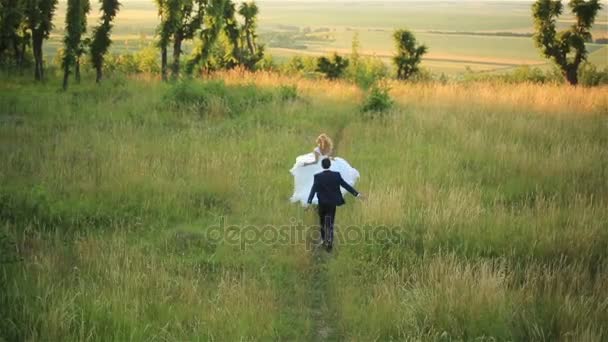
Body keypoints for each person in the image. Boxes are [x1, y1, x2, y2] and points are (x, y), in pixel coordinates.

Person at [307, 158, 362, 251]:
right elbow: (345, 185)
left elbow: (313, 189)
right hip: (332, 203)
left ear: (322, 166)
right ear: (330, 165)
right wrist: (357, 194)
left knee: (322, 222)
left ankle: (324, 240)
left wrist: (309, 202)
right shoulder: (336, 175)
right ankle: (330, 241)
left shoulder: (317, 176)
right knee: (330, 222)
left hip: (322, 203)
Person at [289, 133, 359, 205]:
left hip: (320, 164)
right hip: (326, 163)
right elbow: (327, 157)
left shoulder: (317, 150)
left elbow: (315, 162)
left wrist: (306, 164)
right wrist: (331, 159)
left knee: (310, 180)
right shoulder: (327, 147)